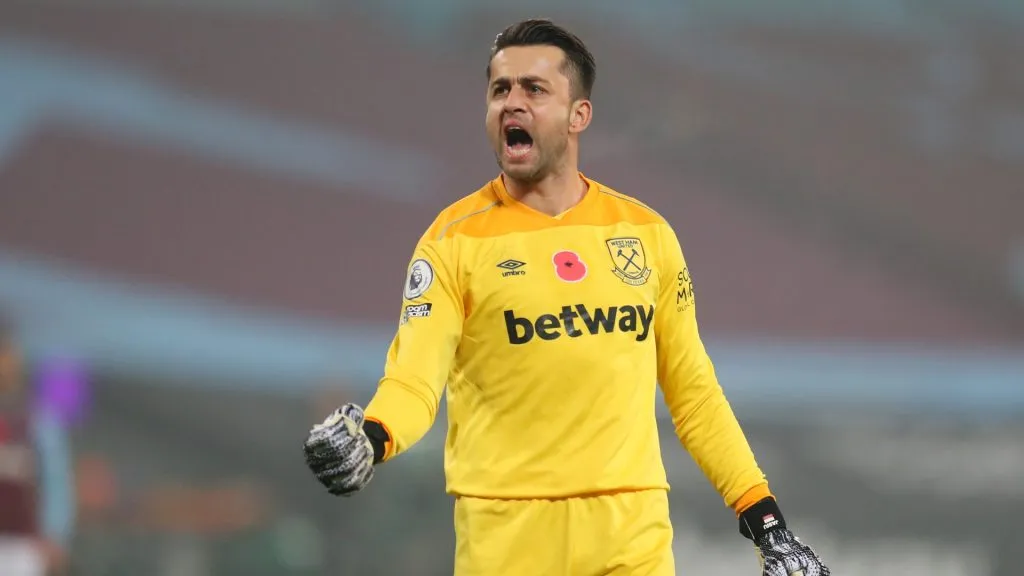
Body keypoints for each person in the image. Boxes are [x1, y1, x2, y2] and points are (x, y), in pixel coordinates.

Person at [304, 18, 829, 576]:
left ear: (579, 114)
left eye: (534, 89)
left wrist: (766, 523)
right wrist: (373, 435)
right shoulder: (453, 241)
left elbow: (694, 395)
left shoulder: (646, 235)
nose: (512, 103)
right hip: (507, 541)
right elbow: (414, 380)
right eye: (499, 89)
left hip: (632, 538)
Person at [0, 316, 76, 576]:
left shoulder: (37, 419)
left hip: (21, 543)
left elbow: (55, 480)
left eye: (7, 356)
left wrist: (55, 533)